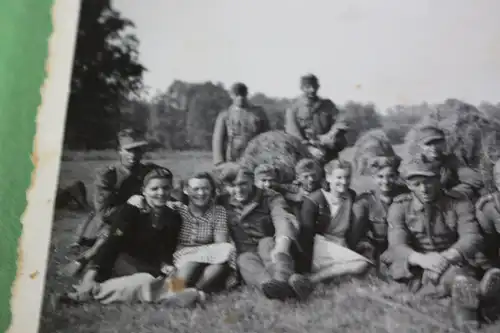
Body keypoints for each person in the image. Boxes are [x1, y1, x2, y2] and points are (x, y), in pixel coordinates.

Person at [385, 155, 500, 331]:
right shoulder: (400, 207)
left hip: (453, 261)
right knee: (458, 278)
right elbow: (397, 244)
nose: (423, 188)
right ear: (408, 185)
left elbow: (472, 236)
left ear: (439, 178)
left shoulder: (458, 202)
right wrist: (422, 259)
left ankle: (471, 306)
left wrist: (447, 256)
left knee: (459, 275)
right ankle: (483, 296)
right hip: (419, 268)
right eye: (417, 184)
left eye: (429, 182)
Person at [60, 168, 204, 306]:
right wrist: (90, 276)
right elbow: (111, 244)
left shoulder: (173, 216)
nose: (161, 193)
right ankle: (93, 292)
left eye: (166, 188)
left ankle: (181, 293)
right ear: (144, 191)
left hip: (150, 267)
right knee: (147, 279)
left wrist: (166, 264)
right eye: (154, 189)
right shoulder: (132, 210)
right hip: (121, 262)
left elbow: (167, 249)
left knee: (165, 278)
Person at [62, 129, 163, 277]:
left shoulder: (148, 171)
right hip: (107, 227)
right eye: (129, 150)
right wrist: (134, 207)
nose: (133, 155)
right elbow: (104, 213)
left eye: (138, 150)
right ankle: (88, 259)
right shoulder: (108, 175)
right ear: (119, 151)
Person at [218, 166, 313, 300]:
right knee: (244, 259)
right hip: (245, 253)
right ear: (226, 187)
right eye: (232, 186)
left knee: (266, 243)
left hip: (273, 249)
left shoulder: (269, 197)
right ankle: (285, 285)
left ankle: (281, 280)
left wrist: (282, 245)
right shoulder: (222, 201)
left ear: (252, 181)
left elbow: (282, 217)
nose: (238, 190)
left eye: (243, 184)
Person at [298, 160, 372, 284]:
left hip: (341, 243)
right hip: (321, 245)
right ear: (328, 177)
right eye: (339, 177)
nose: (344, 182)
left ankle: (323, 276)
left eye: (347, 177)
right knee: (362, 264)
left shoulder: (351, 196)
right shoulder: (314, 200)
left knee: (365, 265)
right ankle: (311, 280)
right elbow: (306, 234)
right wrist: (305, 265)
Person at [168, 172, 236, 293]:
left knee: (222, 259)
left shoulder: (218, 211)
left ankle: (195, 291)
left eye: (205, 189)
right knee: (190, 262)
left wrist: (206, 254)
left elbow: (221, 244)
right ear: (186, 190)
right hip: (183, 254)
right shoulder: (178, 209)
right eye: (196, 189)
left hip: (210, 254)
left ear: (211, 190)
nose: (201, 193)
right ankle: (174, 290)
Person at [351, 153, 409, 269]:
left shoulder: (407, 195)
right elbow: (355, 234)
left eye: (391, 176)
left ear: (397, 176)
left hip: (405, 244)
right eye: (380, 177)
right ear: (373, 178)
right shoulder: (365, 201)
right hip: (378, 247)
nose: (386, 181)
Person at [406, 123, 484, 202]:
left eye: (438, 142)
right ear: (420, 146)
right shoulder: (414, 166)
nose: (434, 147)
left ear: (444, 143)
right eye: (428, 144)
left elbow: (476, 180)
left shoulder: (450, 160)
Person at [285, 74, 348, 165]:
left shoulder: (328, 105)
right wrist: (309, 148)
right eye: (308, 87)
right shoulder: (293, 107)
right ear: (302, 88)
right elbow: (293, 133)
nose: (312, 90)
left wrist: (330, 134)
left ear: (318, 86)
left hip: (329, 152)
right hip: (304, 154)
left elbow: (341, 121)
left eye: (314, 86)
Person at [212, 82, 270, 166]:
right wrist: (219, 162)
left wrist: (267, 158)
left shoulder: (259, 113)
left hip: (254, 159)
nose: (240, 98)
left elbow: (267, 137)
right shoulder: (225, 115)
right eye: (237, 95)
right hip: (231, 160)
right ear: (232, 96)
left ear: (246, 95)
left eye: (242, 95)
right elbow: (218, 140)